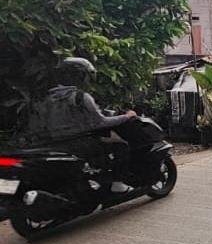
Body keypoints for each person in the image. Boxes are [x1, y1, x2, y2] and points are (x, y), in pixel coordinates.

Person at [25, 57, 137, 193]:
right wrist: (127, 116)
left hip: (54, 145)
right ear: (80, 77)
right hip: (80, 143)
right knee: (121, 146)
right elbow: (100, 122)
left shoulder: (47, 98)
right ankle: (117, 183)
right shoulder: (80, 96)